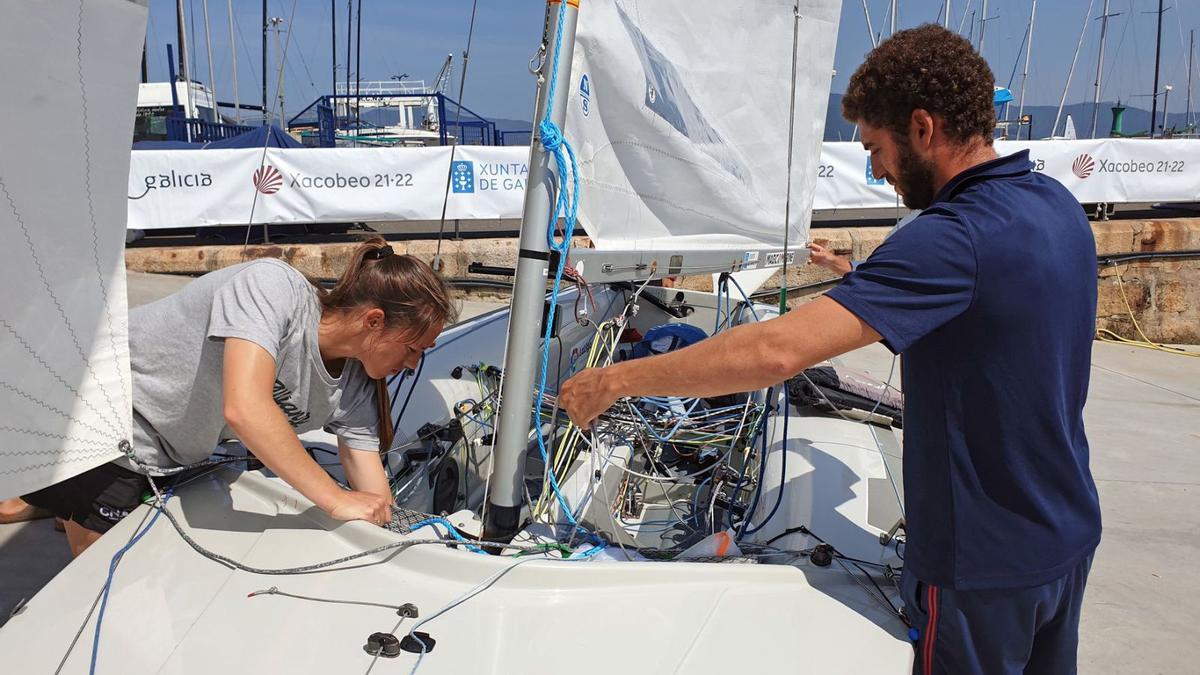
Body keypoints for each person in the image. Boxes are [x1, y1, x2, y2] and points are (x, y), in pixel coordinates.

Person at [559, 24, 1100, 675]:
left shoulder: (952, 238)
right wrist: (857, 276)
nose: (875, 169)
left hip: (980, 569)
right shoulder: (1055, 206)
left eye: (877, 148)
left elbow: (779, 350)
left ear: (922, 128)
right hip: (1063, 536)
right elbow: (985, 311)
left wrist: (616, 380)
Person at [21, 238, 456, 557]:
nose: (414, 364)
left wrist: (403, 538)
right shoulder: (272, 287)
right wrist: (336, 499)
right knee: (105, 578)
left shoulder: (360, 381)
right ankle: (45, 500)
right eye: (413, 347)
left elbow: (372, 488)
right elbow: (245, 408)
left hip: (173, 448)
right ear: (374, 320)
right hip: (104, 416)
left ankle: (47, 505)